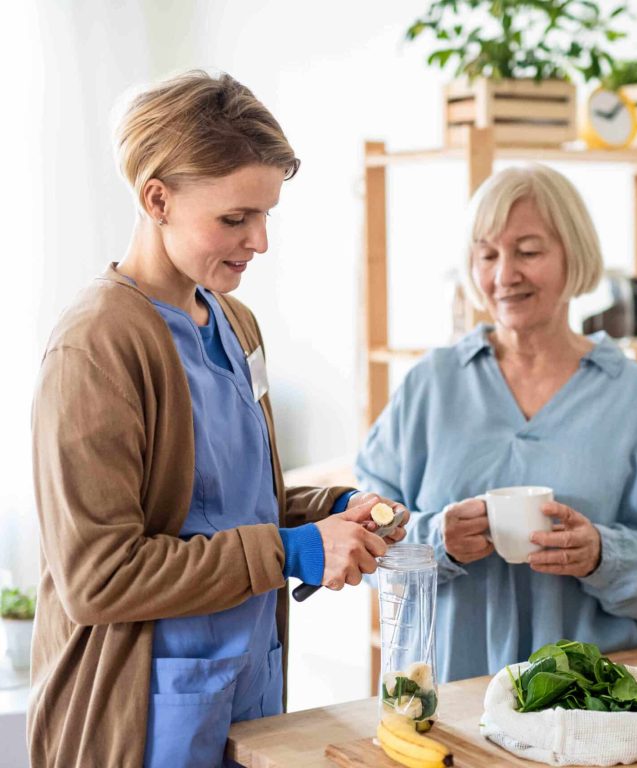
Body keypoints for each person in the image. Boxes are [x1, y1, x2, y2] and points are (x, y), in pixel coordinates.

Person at [29, 70, 408, 768]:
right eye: (235, 219)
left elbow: (226, 506)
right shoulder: (97, 345)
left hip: (248, 687)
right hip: (146, 711)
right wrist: (291, 552)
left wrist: (337, 509)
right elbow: (99, 577)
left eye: (266, 215)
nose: (259, 241)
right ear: (157, 198)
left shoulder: (236, 323)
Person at [355, 164, 637, 683]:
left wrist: (602, 555)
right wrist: (437, 540)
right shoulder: (430, 385)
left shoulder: (633, 396)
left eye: (528, 251)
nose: (504, 275)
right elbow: (365, 527)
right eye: (487, 254)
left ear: (574, 255)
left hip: (594, 701)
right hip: (449, 694)